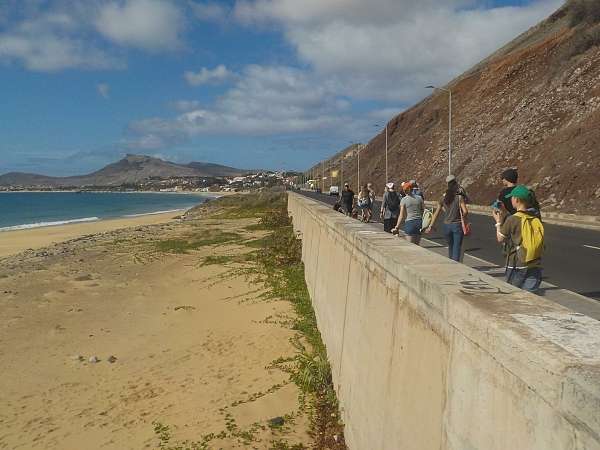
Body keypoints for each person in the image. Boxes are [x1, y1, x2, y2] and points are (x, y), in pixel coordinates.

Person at [492, 185, 544, 292]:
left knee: (514, 295)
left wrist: (498, 222)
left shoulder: (512, 219)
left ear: (516, 199)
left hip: (517, 264)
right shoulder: (535, 216)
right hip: (534, 263)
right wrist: (505, 213)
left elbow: (500, 238)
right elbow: (521, 217)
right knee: (530, 297)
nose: (510, 200)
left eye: (511, 197)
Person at [424, 175, 469, 261]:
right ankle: (455, 264)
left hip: (446, 226)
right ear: (456, 185)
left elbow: (436, 213)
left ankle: (451, 262)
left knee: (450, 246)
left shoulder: (443, 198)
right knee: (457, 247)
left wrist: (431, 226)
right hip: (457, 225)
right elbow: (465, 211)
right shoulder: (459, 197)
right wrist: (463, 218)